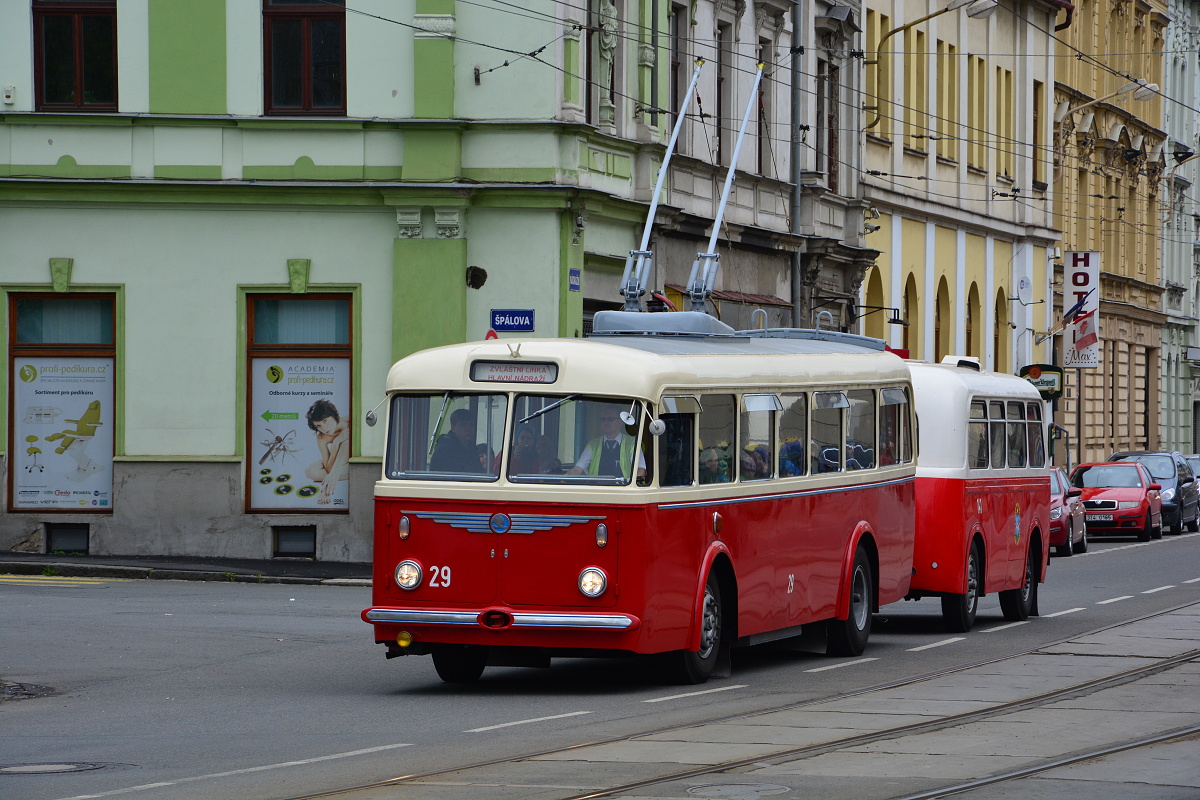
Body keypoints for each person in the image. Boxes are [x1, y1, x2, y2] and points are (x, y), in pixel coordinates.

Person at [567, 406, 645, 480]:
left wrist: (631, 487)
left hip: (623, 491)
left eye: (610, 419)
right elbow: (577, 469)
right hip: (598, 490)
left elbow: (641, 470)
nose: (606, 422)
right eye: (603, 419)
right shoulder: (593, 445)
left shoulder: (631, 443)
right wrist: (563, 478)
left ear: (620, 422)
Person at [304, 398, 350, 504]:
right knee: (310, 471)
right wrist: (336, 443)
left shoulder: (348, 422)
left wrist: (341, 441)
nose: (324, 428)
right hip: (341, 465)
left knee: (346, 441)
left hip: (351, 458)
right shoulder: (321, 437)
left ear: (334, 416)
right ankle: (339, 475)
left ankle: (327, 487)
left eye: (325, 421)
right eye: (319, 425)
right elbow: (328, 467)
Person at [430, 408, 482, 473]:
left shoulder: (472, 448)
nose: (468, 429)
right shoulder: (444, 450)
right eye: (462, 425)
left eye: (470, 424)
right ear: (453, 427)